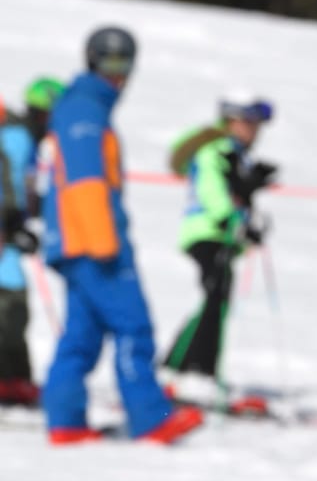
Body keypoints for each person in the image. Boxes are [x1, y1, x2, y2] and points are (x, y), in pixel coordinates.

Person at [41, 27, 202, 445]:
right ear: (92, 60)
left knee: (82, 335)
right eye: (110, 62)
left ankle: (65, 422)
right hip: (93, 243)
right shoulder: (84, 109)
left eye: (126, 64)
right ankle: (151, 420)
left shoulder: (84, 105)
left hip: (78, 242)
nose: (119, 75)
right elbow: (85, 181)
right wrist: (103, 243)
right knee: (134, 327)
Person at [161, 93, 279, 397]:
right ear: (231, 121)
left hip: (219, 234)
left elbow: (235, 195)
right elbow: (211, 189)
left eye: (257, 125)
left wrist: (249, 219)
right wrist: (230, 219)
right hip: (207, 233)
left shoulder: (236, 155)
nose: (254, 131)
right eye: (248, 123)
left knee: (217, 297)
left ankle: (185, 365)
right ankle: (192, 367)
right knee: (216, 296)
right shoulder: (215, 150)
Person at [0, 78, 60, 406]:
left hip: (8, 231)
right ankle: (11, 378)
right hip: (5, 232)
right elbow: (9, 184)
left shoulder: (23, 136)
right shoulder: (18, 137)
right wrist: (13, 224)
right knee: (11, 300)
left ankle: (15, 376)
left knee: (13, 298)